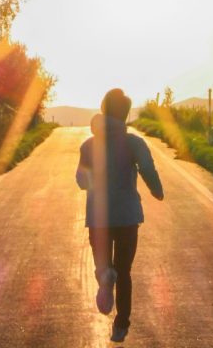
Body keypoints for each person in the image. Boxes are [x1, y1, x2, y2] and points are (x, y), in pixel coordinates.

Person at [75, 88, 164, 343]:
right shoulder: (134, 143)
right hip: (127, 216)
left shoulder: (89, 146)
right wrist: (157, 191)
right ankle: (121, 324)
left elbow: (81, 180)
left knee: (104, 266)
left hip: (98, 218)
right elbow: (148, 169)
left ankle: (105, 276)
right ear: (125, 114)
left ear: (103, 110)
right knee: (124, 271)